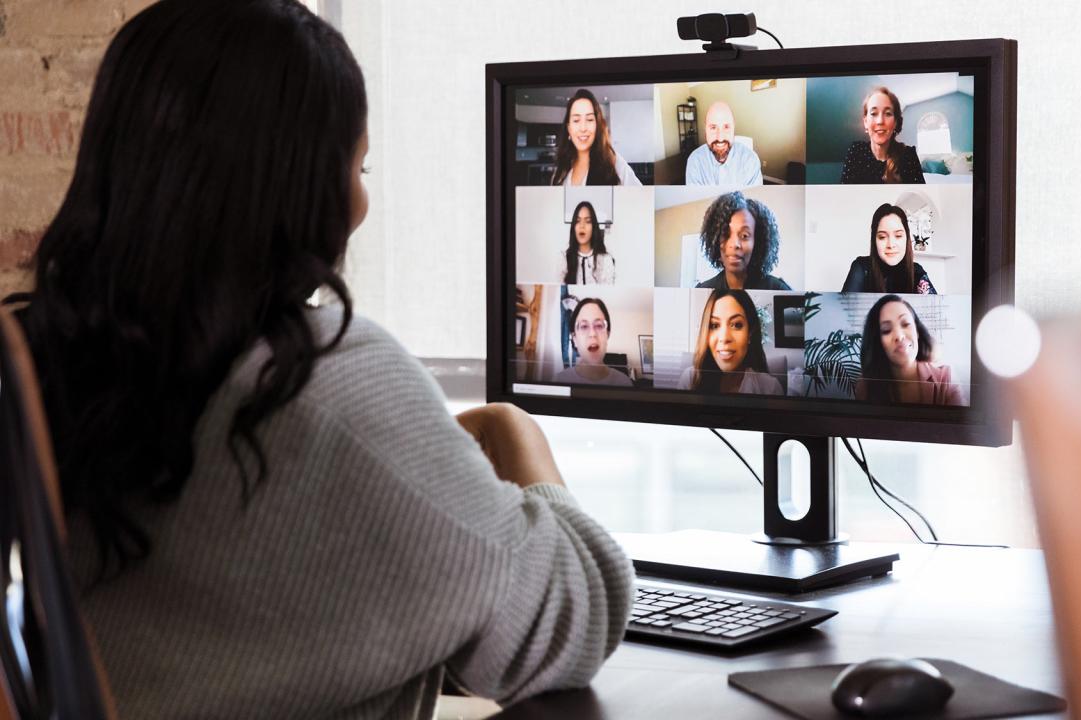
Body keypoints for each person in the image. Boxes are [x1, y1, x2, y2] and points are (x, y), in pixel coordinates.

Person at [3, 1, 633, 718]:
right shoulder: (327, 382)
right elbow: (574, 619)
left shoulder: (52, 361)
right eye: (358, 166)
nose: (362, 203)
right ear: (299, 185)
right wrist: (515, 434)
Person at [855, 295, 964, 405]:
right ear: (877, 341)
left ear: (917, 331)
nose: (899, 336)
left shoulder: (946, 379)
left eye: (906, 324)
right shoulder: (865, 386)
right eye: (886, 330)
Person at [677, 289, 783, 395]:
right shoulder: (690, 380)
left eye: (737, 325)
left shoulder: (771, 388)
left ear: (750, 333)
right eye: (714, 325)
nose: (724, 338)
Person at [695, 191, 792, 290]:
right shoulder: (703, 291)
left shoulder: (779, 290)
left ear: (757, 242)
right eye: (725, 234)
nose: (734, 244)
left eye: (744, 236)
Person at [549, 88, 642, 187]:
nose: (583, 128)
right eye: (576, 120)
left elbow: (640, 195)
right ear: (569, 128)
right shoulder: (561, 169)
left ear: (597, 125)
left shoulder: (613, 163)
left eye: (589, 119)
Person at [841, 203, 938, 294]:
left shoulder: (916, 271)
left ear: (907, 238)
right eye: (882, 237)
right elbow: (844, 305)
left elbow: (935, 305)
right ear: (874, 240)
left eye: (898, 236)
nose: (891, 245)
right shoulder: (861, 268)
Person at [839, 86, 925, 185]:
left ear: (895, 122)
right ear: (866, 122)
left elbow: (919, 194)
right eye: (874, 113)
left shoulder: (908, 155)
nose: (880, 121)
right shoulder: (856, 151)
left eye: (888, 113)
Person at [553, 298, 633, 386]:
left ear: (607, 334)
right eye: (584, 326)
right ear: (574, 339)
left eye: (599, 325)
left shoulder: (625, 383)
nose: (592, 334)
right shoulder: (558, 382)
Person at [684, 101, 763, 187]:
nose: (720, 138)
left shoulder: (751, 161)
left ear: (733, 128)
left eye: (726, 127)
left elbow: (754, 195)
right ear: (705, 130)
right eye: (713, 128)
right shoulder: (695, 162)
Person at [557, 200, 616, 284]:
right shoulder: (564, 258)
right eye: (578, 221)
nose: (582, 226)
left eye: (588, 221)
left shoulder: (605, 260)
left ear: (594, 227)